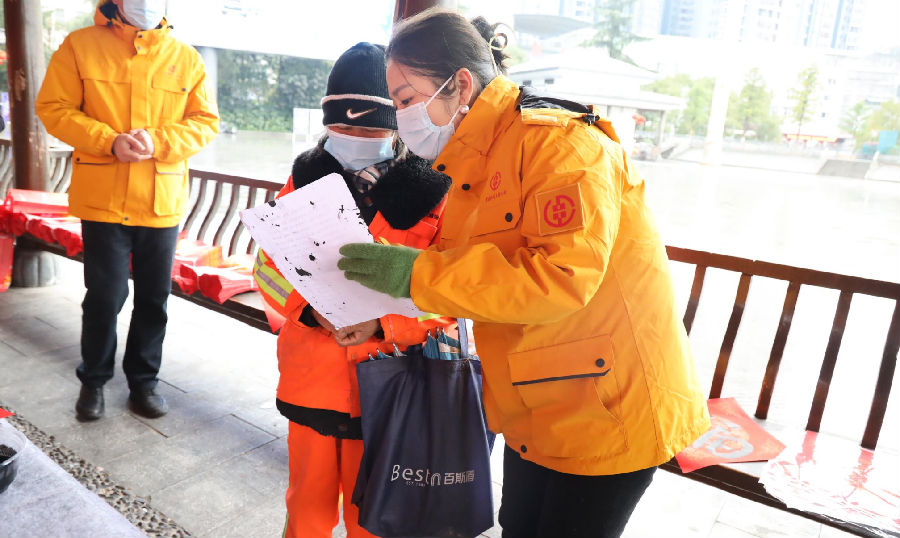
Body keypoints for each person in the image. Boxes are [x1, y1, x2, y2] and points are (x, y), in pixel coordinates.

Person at [337, 10, 711, 538]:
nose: (401, 118)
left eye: (405, 99)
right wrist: (386, 319)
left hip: (607, 404)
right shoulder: (471, 161)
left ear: (459, 85)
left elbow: (561, 277)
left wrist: (415, 274)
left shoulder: (560, 146)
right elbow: (478, 281)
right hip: (537, 398)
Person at [252, 42, 454, 538]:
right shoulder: (301, 182)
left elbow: (456, 295)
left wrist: (386, 323)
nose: (355, 139)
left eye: (370, 130)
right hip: (310, 379)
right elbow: (267, 268)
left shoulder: (436, 191)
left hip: (391, 389)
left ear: (397, 127)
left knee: (373, 521)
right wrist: (309, 312)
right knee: (306, 511)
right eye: (342, 130)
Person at [35, 0, 218, 421]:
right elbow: (54, 107)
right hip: (104, 201)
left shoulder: (186, 57)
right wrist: (109, 141)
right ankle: (93, 381)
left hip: (160, 201)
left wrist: (159, 141)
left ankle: (144, 383)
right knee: (105, 296)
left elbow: (205, 122)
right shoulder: (79, 45)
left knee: (154, 299)